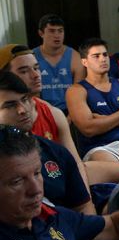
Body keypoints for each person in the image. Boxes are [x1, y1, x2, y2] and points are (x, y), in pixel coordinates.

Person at [0, 44, 93, 184]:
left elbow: (76, 164)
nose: (36, 75)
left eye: (36, 68)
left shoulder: (53, 113)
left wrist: (85, 196)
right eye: (24, 71)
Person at [0, 73, 92, 214]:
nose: (22, 110)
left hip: (64, 225)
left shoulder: (56, 152)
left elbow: (83, 207)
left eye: (25, 99)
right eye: (10, 105)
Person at [65, 38, 119, 164]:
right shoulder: (76, 91)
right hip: (100, 148)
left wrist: (104, 119)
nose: (103, 59)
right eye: (96, 56)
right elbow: (89, 129)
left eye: (105, 55)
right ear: (84, 62)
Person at [32, 14, 84, 113]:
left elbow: (79, 94)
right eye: (51, 31)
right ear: (41, 33)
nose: (57, 35)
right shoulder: (32, 57)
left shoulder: (75, 57)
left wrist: (71, 115)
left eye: (60, 31)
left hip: (71, 110)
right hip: (42, 110)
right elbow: (32, 94)